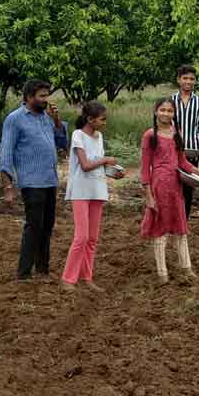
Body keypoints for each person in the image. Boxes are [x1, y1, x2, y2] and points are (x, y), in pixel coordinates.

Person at [0, 79, 69, 282]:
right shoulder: (15, 119)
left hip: (49, 180)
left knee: (47, 225)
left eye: (47, 95)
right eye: (42, 96)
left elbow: (62, 143)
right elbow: (6, 153)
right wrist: (8, 186)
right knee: (34, 225)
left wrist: (57, 121)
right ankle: (24, 273)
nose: (46, 100)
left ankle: (43, 269)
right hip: (31, 181)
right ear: (29, 97)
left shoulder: (47, 118)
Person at [141, 98, 199, 284]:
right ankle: (162, 273)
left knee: (181, 228)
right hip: (159, 186)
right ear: (155, 112)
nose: (166, 114)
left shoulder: (176, 133)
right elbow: (144, 168)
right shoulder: (150, 136)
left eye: (170, 111)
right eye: (162, 110)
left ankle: (186, 268)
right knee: (161, 229)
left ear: (174, 113)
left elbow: (182, 162)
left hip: (175, 186)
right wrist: (149, 195)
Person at [62, 101, 124, 291]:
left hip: (97, 189)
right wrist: (105, 160)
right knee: (81, 236)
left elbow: (97, 166)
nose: (104, 122)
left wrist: (112, 171)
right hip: (81, 189)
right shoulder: (78, 135)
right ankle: (68, 279)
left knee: (92, 238)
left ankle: (86, 277)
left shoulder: (99, 137)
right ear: (90, 119)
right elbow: (86, 165)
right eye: (102, 119)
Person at [170, 65, 199, 218]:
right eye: (185, 78)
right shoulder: (171, 101)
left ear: (195, 81)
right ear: (179, 80)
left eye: (192, 79)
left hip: (192, 151)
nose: (188, 81)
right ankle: (172, 218)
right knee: (173, 185)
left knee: (188, 187)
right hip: (173, 151)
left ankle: (183, 221)